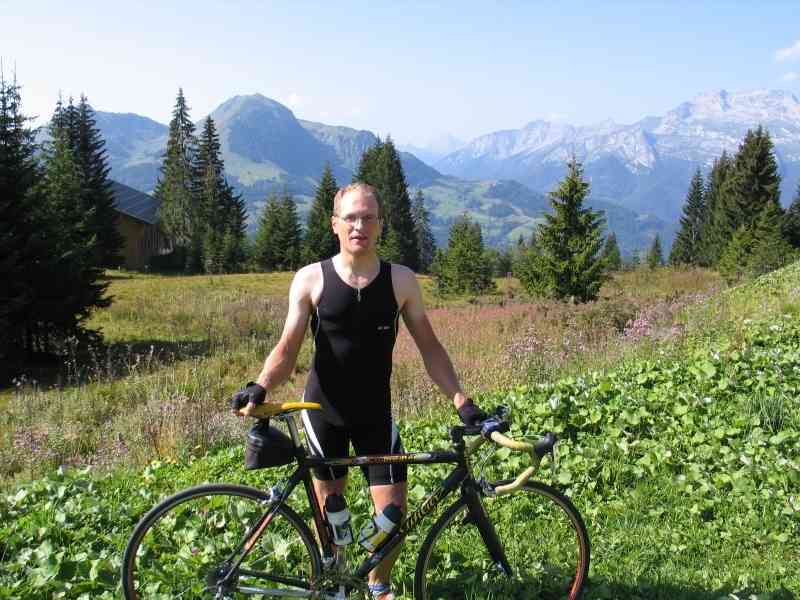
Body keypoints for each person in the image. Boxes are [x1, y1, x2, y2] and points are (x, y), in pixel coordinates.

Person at [232, 182, 488, 600]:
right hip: (322, 413)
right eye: (350, 217)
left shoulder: (401, 281)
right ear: (335, 224)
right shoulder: (310, 279)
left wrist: (462, 400)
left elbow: (431, 348)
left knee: (393, 516)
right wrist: (260, 385)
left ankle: (378, 585)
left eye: (368, 217)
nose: (359, 225)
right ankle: (337, 586)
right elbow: (287, 347)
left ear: (380, 225)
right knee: (335, 519)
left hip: (375, 415)